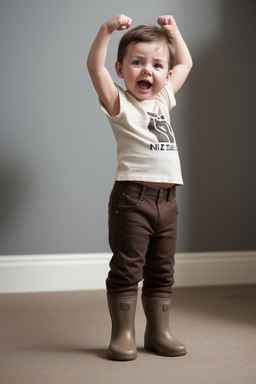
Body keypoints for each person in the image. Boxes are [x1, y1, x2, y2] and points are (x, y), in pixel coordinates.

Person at [87, 14, 192, 361]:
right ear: (120, 69)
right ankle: (123, 333)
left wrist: (173, 33)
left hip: (169, 200)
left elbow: (186, 62)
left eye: (157, 64)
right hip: (132, 200)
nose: (148, 70)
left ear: (165, 74)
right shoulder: (120, 103)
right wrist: (105, 31)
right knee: (128, 266)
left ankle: (158, 332)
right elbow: (94, 68)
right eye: (137, 62)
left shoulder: (163, 99)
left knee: (163, 268)